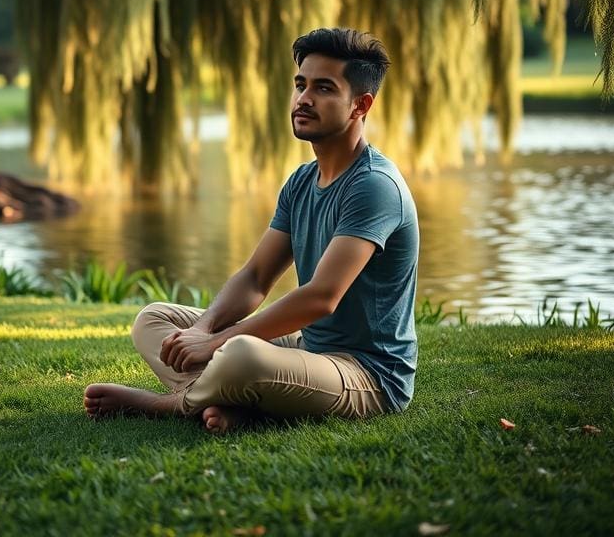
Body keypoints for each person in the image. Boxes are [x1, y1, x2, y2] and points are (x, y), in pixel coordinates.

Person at [84, 28, 419, 433]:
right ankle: (241, 401)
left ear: (359, 105)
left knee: (242, 355)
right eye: (300, 85)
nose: (303, 99)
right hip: (306, 352)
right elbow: (255, 277)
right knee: (154, 320)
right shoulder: (301, 182)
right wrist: (203, 328)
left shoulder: (374, 186)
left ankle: (169, 404)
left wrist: (215, 344)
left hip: (368, 375)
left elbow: (321, 297)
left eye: (324, 88)